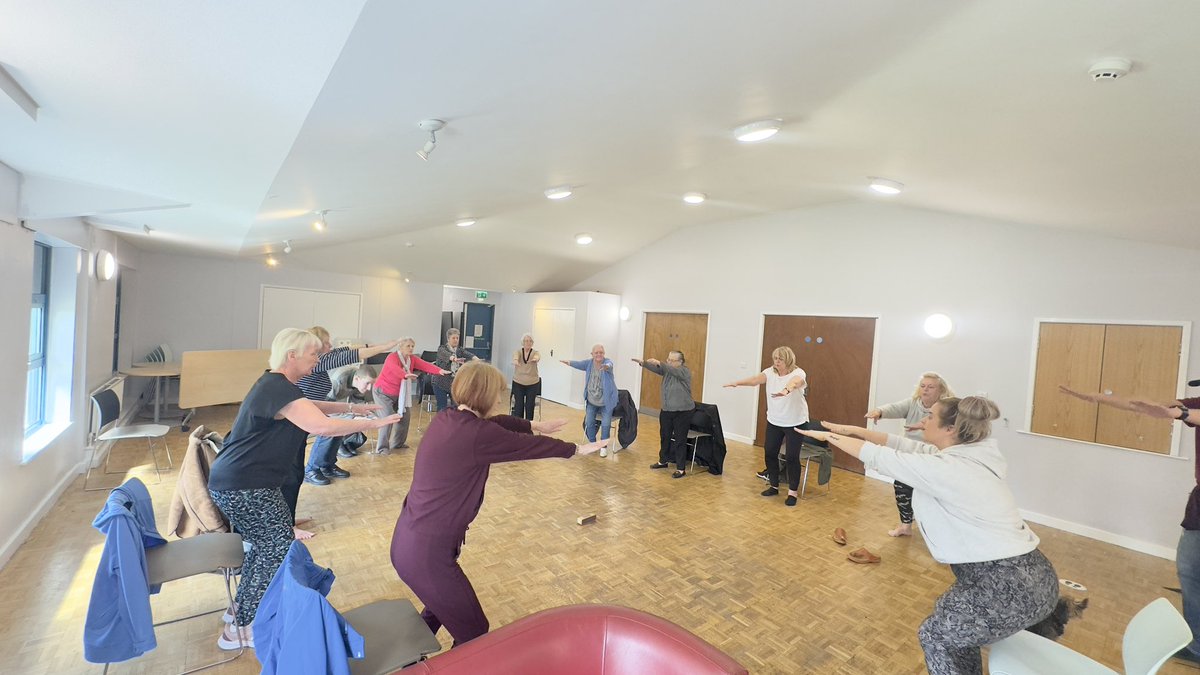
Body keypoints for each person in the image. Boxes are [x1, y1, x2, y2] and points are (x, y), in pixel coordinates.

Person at [800, 397, 1057, 675]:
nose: (922, 421)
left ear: (950, 429)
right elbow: (903, 445)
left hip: (1007, 586)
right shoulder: (968, 454)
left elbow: (880, 456)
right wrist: (851, 430)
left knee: (937, 636)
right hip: (1035, 577)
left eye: (930, 417)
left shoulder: (948, 469)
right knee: (953, 638)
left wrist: (825, 435)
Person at [208, 328, 401, 651]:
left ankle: (240, 611)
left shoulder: (278, 385)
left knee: (268, 547)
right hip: (243, 484)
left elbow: (310, 405)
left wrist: (354, 409)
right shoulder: (275, 386)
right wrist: (373, 424)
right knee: (275, 547)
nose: (318, 359)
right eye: (313, 353)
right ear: (292, 355)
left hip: (245, 481)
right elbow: (319, 425)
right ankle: (237, 631)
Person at [389, 361, 606, 646]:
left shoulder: (448, 418)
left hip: (410, 542)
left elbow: (496, 424)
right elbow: (524, 446)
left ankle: (409, 662)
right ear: (484, 394)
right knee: (475, 633)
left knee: (441, 610)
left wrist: (535, 424)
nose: (501, 398)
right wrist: (575, 449)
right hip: (426, 554)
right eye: (498, 392)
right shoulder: (477, 435)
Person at [1060, 382, 1200, 667]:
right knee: (1189, 571)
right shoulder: (1193, 402)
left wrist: (1181, 414)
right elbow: (1150, 404)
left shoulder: (1190, 409)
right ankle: (1197, 646)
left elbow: (1185, 414)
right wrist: (1099, 398)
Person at [297, 327, 399, 492]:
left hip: (315, 404)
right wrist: (385, 348)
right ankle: (312, 470)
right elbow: (352, 355)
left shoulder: (323, 357)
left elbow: (346, 349)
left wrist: (374, 344)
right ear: (314, 345)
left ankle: (327, 465)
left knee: (337, 430)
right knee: (327, 433)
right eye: (326, 342)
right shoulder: (319, 359)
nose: (330, 345)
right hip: (305, 407)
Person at [866, 372, 956, 537]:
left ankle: (937, 532)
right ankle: (905, 526)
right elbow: (894, 408)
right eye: (923, 386)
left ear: (940, 390)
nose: (925, 390)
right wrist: (879, 411)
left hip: (932, 457)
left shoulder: (945, 409)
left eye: (930, 387)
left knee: (932, 496)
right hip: (909, 456)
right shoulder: (914, 403)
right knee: (902, 488)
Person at [724, 346, 809, 506]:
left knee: (791, 457)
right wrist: (737, 383)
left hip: (795, 422)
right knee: (770, 452)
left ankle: (792, 493)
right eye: (775, 358)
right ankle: (774, 485)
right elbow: (756, 380)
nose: (776, 362)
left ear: (788, 360)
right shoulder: (770, 372)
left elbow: (795, 382)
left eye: (780, 359)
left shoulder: (799, 373)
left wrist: (786, 390)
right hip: (775, 420)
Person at [373, 337, 447, 453]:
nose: (411, 348)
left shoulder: (412, 359)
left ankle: (398, 444)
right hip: (383, 392)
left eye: (412, 346)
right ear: (401, 347)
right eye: (408, 346)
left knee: (405, 417)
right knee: (387, 418)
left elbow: (425, 365)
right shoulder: (392, 357)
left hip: (400, 394)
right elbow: (394, 368)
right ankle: (382, 448)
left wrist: (439, 371)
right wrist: (405, 375)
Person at [633, 351, 694, 478]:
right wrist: (644, 363)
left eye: (672, 360)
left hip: (682, 412)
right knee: (665, 436)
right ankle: (663, 461)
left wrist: (660, 362)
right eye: (668, 359)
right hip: (667, 410)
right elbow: (658, 369)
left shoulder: (684, 371)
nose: (669, 362)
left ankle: (681, 468)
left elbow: (668, 368)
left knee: (680, 440)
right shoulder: (668, 370)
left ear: (681, 362)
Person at [561, 344, 619, 457]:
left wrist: (606, 367)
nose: (599, 354)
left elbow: (609, 365)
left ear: (604, 354)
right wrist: (567, 362)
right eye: (596, 352)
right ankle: (593, 443)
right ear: (592, 354)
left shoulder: (607, 362)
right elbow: (578, 364)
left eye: (601, 352)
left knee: (606, 424)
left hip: (606, 402)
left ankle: (603, 447)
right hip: (592, 401)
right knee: (589, 422)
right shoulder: (589, 363)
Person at [432, 328, 477, 411]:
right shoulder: (442, 348)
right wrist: (454, 359)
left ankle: (453, 423)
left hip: (454, 383)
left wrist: (476, 359)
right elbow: (447, 355)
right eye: (453, 338)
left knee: (456, 408)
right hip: (440, 382)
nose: (456, 340)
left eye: (457, 338)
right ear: (448, 339)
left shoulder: (459, 350)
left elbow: (469, 354)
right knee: (442, 408)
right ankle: (441, 424)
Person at [511, 333, 541, 420]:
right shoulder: (518, 352)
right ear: (523, 342)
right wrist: (516, 361)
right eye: (526, 341)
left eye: (530, 341)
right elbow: (516, 356)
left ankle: (528, 426)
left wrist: (536, 359)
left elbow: (537, 356)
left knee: (529, 406)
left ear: (532, 343)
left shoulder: (535, 352)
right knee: (519, 405)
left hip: (532, 384)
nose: (528, 343)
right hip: (518, 383)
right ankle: (519, 426)